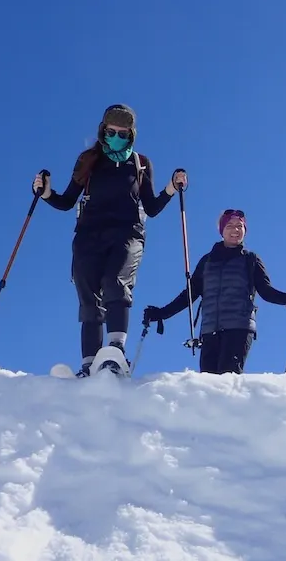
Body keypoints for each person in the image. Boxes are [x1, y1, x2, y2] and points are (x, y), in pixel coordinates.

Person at [32, 103, 186, 377]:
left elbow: (151, 207)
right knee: (88, 297)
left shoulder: (140, 163)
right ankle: (89, 365)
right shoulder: (88, 160)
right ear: (103, 130)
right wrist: (46, 194)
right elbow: (67, 201)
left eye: (123, 133)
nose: (117, 136)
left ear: (131, 135)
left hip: (128, 234)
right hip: (88, 236)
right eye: (112, 131)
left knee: (116, 282)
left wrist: (171, 189)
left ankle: (115, 354)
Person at [143, 209, 286, 374]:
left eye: (239, 226)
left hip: (239, 327)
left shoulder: (250, 259)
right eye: (230, 226)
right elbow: (189, 294)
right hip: (209, 330)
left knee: (227, 379)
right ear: (221, 230)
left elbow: (266, 291)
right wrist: (162, 313)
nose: (235, 230)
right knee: (208, 383)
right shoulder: (207, 261)